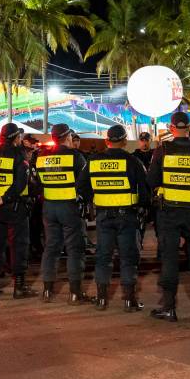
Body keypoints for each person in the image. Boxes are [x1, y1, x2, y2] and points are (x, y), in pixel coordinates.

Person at [147, 111, 190, 322]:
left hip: (170, 213)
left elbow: (152, 180)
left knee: (169, 260)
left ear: (171, 128)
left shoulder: (163, 150)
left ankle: (169, 308)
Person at [84, 125, 149, 312]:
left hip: (103, 216)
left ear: (107, 141)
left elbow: (82, 187)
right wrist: (143, 210)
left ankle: (101, 299)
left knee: (103, 257)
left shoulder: (93, 161)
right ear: (125, 141)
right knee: (128, 258)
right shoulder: (133, 161)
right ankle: (129, 301)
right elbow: (145, 192)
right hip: (127, 217)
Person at [32, 123, 91, 304]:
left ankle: (47, 291)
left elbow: (37, 183)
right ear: (68, 137)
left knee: (51, 248)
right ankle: (75, 293)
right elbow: (85, 184)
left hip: (49, 207)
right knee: (75, 249)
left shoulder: (42, 157)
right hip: (70, 207)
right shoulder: (76, 156)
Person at [0, 123, 37, 299]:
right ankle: (19, 287)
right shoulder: (19, 154)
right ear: (16, 138)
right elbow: (20, 184)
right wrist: (5, 198)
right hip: (14, 207)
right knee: (19, 245)